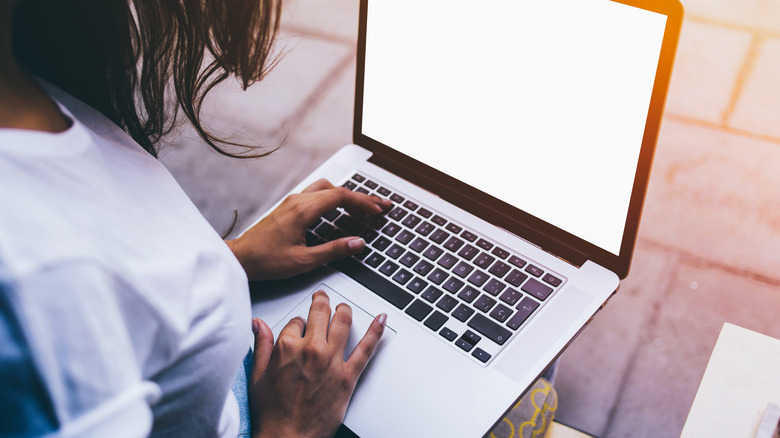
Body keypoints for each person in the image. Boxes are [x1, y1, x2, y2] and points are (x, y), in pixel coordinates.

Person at [0, 0, 393, 437]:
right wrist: (290, 428)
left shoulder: (24, 78)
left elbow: (109, 274)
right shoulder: (31, 284)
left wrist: (230, 258)